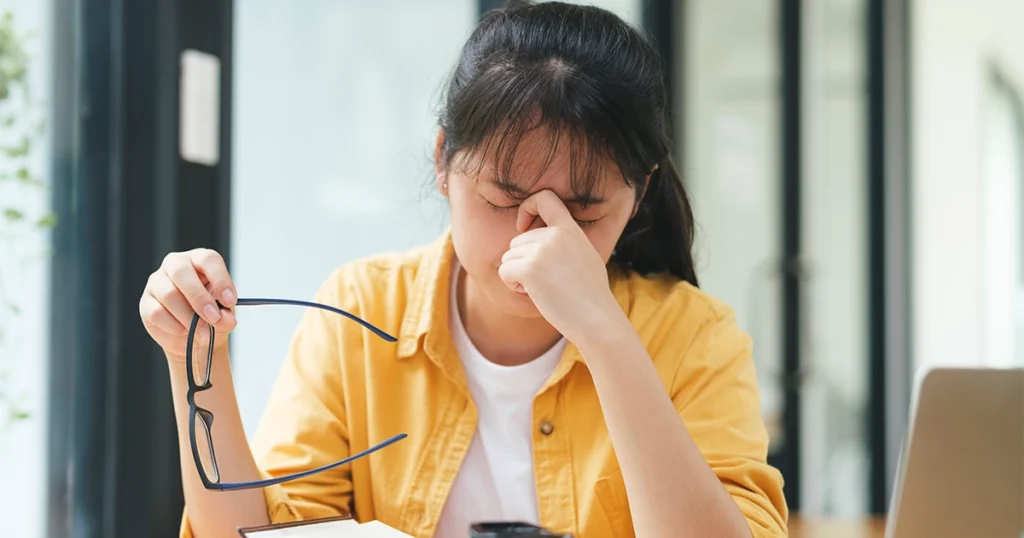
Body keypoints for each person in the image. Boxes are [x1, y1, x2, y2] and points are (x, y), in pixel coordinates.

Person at [140, 2, 788, 537]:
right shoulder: (362, 308)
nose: (538, 242)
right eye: (504, 200)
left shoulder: (694, 336)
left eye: (583, 214)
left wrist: (605, 335)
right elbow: (257, 532)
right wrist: (191, 354)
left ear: (639, 194)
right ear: (444, 161)